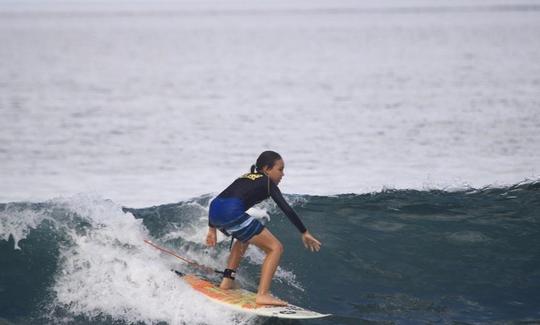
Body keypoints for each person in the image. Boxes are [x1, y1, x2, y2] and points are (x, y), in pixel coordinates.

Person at [205, 151, 321, 306]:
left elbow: (220, 200)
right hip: (231, 211)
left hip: (214, 211)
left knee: (243, 239)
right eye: (280, 169)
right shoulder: (267, 182)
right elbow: (286, 208)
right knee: (276, 248)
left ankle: (227, 282)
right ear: (267, 169)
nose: (283, 174)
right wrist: (304, 232)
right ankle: (263, 294)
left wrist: (212, 228)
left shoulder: (246, 177)